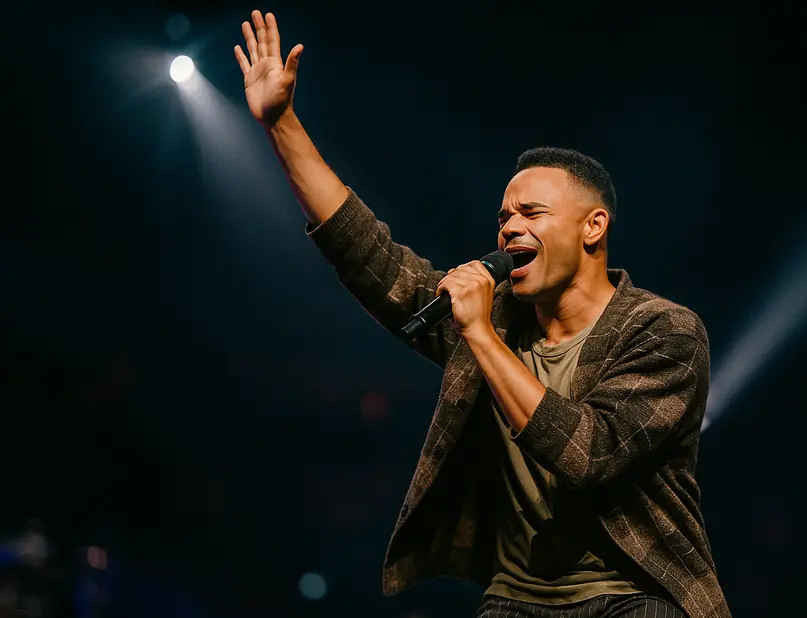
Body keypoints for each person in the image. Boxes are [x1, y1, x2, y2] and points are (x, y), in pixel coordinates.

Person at [234, 9, 731, 618]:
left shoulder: (665, 331)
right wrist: (281, 123)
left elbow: (589, 455)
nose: (510, 226)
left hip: (633, 596)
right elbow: (369, 254)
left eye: (532, 213)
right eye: (503, 216)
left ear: (593, 227)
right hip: (517, 601)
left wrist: (479, 335)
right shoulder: (492, 316)